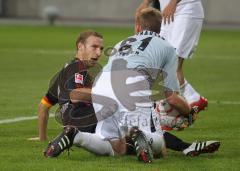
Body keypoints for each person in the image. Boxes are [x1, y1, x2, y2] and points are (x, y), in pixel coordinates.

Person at [43, 8, 219, 163]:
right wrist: (189, 112)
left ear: (138, 28)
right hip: (132, 86)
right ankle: (141, 135)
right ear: (161, 28)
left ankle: (76, 136)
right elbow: (171, 97)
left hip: (103, 85)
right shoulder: (167, 48)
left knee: (114, 147)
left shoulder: (122, 42)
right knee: (159, 147)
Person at [136, 0, 208, 113]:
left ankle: (172, 107)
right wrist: (145, 3)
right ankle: (192, 98)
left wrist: (173, 3)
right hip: (168, 13)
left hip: (186, 10)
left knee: (171, 63)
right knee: (160, 61)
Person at [32, 31, 104, 141]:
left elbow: (43, 106)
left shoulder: (67, 71)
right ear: (80, 46)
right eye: (94, 47)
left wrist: (42, 138)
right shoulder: (77, 68)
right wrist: (107, 92)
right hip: (85, 123)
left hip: (75, 125)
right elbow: (76, 95)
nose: (98, 53)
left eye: (101, 49)